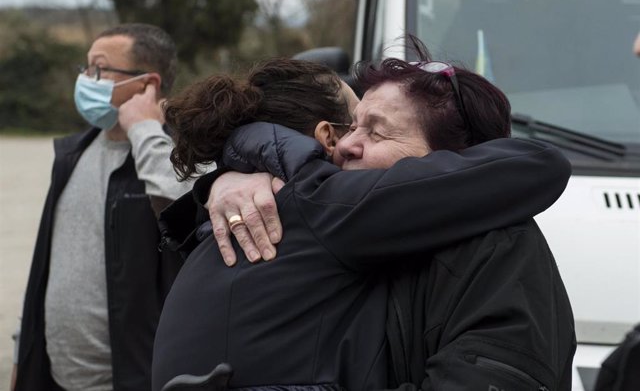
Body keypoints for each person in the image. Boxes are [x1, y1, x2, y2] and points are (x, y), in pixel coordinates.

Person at [152, 48, 574, 390]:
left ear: (456, 166)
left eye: (375, 131)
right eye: (350, 126)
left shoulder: (495, 242)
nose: (342, 147)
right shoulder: (320, 211)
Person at [12, 23, 193, 391]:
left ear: (148, 84)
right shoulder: (71, 155)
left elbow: (187, 215)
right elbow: (48, 268)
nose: (86, 80)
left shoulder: (182, 158)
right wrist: (23, 354)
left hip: (131, 381)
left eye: (99, 69)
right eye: (85, 68)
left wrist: (144, 130)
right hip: (53, 378)